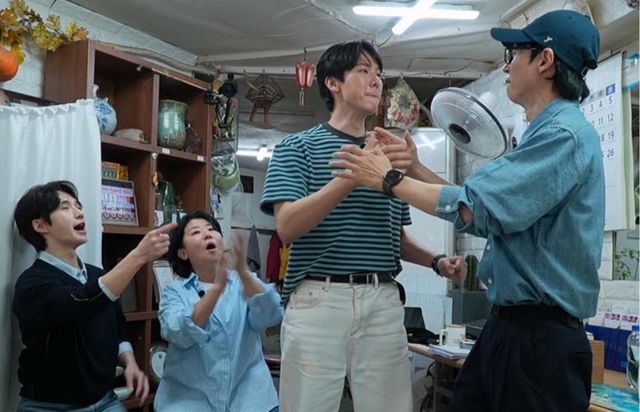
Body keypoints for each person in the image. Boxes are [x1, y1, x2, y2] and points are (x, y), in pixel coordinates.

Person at [330, 10, 603, 412]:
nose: (506, 66)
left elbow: (476, 208)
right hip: (510, 329)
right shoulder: (544, 134)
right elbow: (482, 203)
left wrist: (388, 180)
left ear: (545, 61)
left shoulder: (563, 136)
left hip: (539, 340)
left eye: (514, 53)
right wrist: (414, 168)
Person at [260, 40, 466, 412]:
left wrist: (436, 261)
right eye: (363, 70)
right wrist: (352, 177)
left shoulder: (390, 156)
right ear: (333, 83)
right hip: (318, 297)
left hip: (382, 299)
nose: (376, 81)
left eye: (379, 73)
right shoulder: (297, 147)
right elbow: (287, 227)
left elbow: (394, 237)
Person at [13, 180, 176, 411]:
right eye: (65, 207)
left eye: (78, 206)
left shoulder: (98, 275)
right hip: (49, 406)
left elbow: (117, 328)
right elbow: (80, 302)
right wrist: (138, 255)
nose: (79, 213)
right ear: (40, 225)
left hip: (106, 401)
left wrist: (129, 362)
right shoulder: (32, 284)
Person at [154, 211, 282, 412]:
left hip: (251, 399)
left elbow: (271, 314)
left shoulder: (243, 281)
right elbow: (177, 332)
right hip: (190, 403)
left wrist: (243, 271)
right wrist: (216, 290)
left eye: (211, 229)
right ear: (183, 253)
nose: (207, 234)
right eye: (196, 232)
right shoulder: (174, 292)